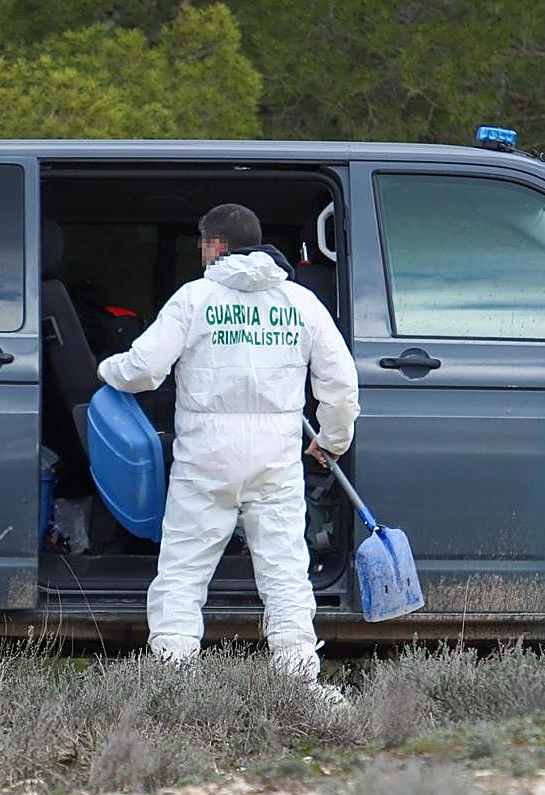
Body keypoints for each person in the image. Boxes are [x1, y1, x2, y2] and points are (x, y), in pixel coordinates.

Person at [97, 203, 360, 685]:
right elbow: (341, 384)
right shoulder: (300, 303)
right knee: (284, 573)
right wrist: (333, 439)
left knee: (182, 572)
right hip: (275, 461)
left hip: (205, 459)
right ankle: (298, 679)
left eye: (202, 243)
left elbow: (143, 370)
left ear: (215, 245)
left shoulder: (194, 299)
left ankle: (173, 681)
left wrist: (105, 370)